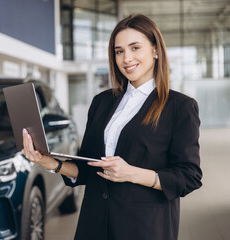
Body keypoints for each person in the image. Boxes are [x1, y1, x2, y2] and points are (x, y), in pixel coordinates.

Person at [22, 14, 202, 240]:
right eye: (119, 51)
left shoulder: (180, 107)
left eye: (135, 48)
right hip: (95, 224)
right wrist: (49, 162)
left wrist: (132, 173)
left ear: (156, 50)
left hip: (144, 228)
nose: (127, 58)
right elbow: (88, 168)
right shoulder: (102, 102)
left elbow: (189, 176)